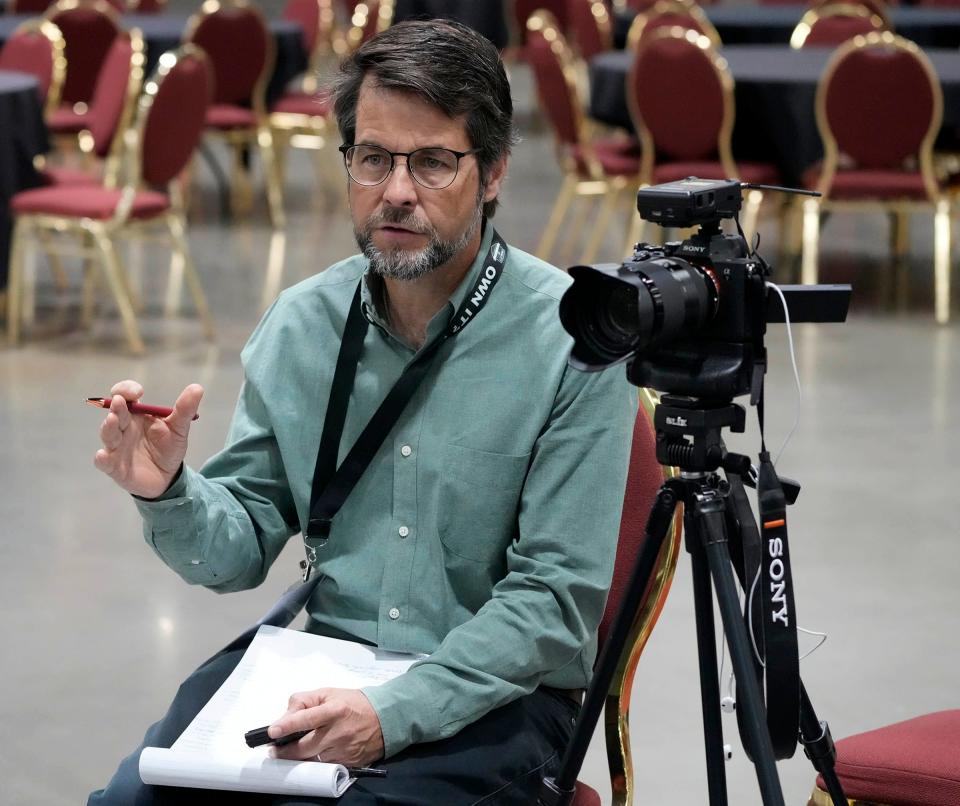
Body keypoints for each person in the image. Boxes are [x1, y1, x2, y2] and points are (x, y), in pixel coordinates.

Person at [88, 19, 635, 806]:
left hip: (498, 700)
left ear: (494, 174)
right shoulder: (303, 324)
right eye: (373, 158)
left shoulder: (571, 341)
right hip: (324, 670)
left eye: (435, 163)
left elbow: (552, 602)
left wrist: (390, 714)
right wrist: (167, 491)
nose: (398, 191)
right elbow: (238, 548)